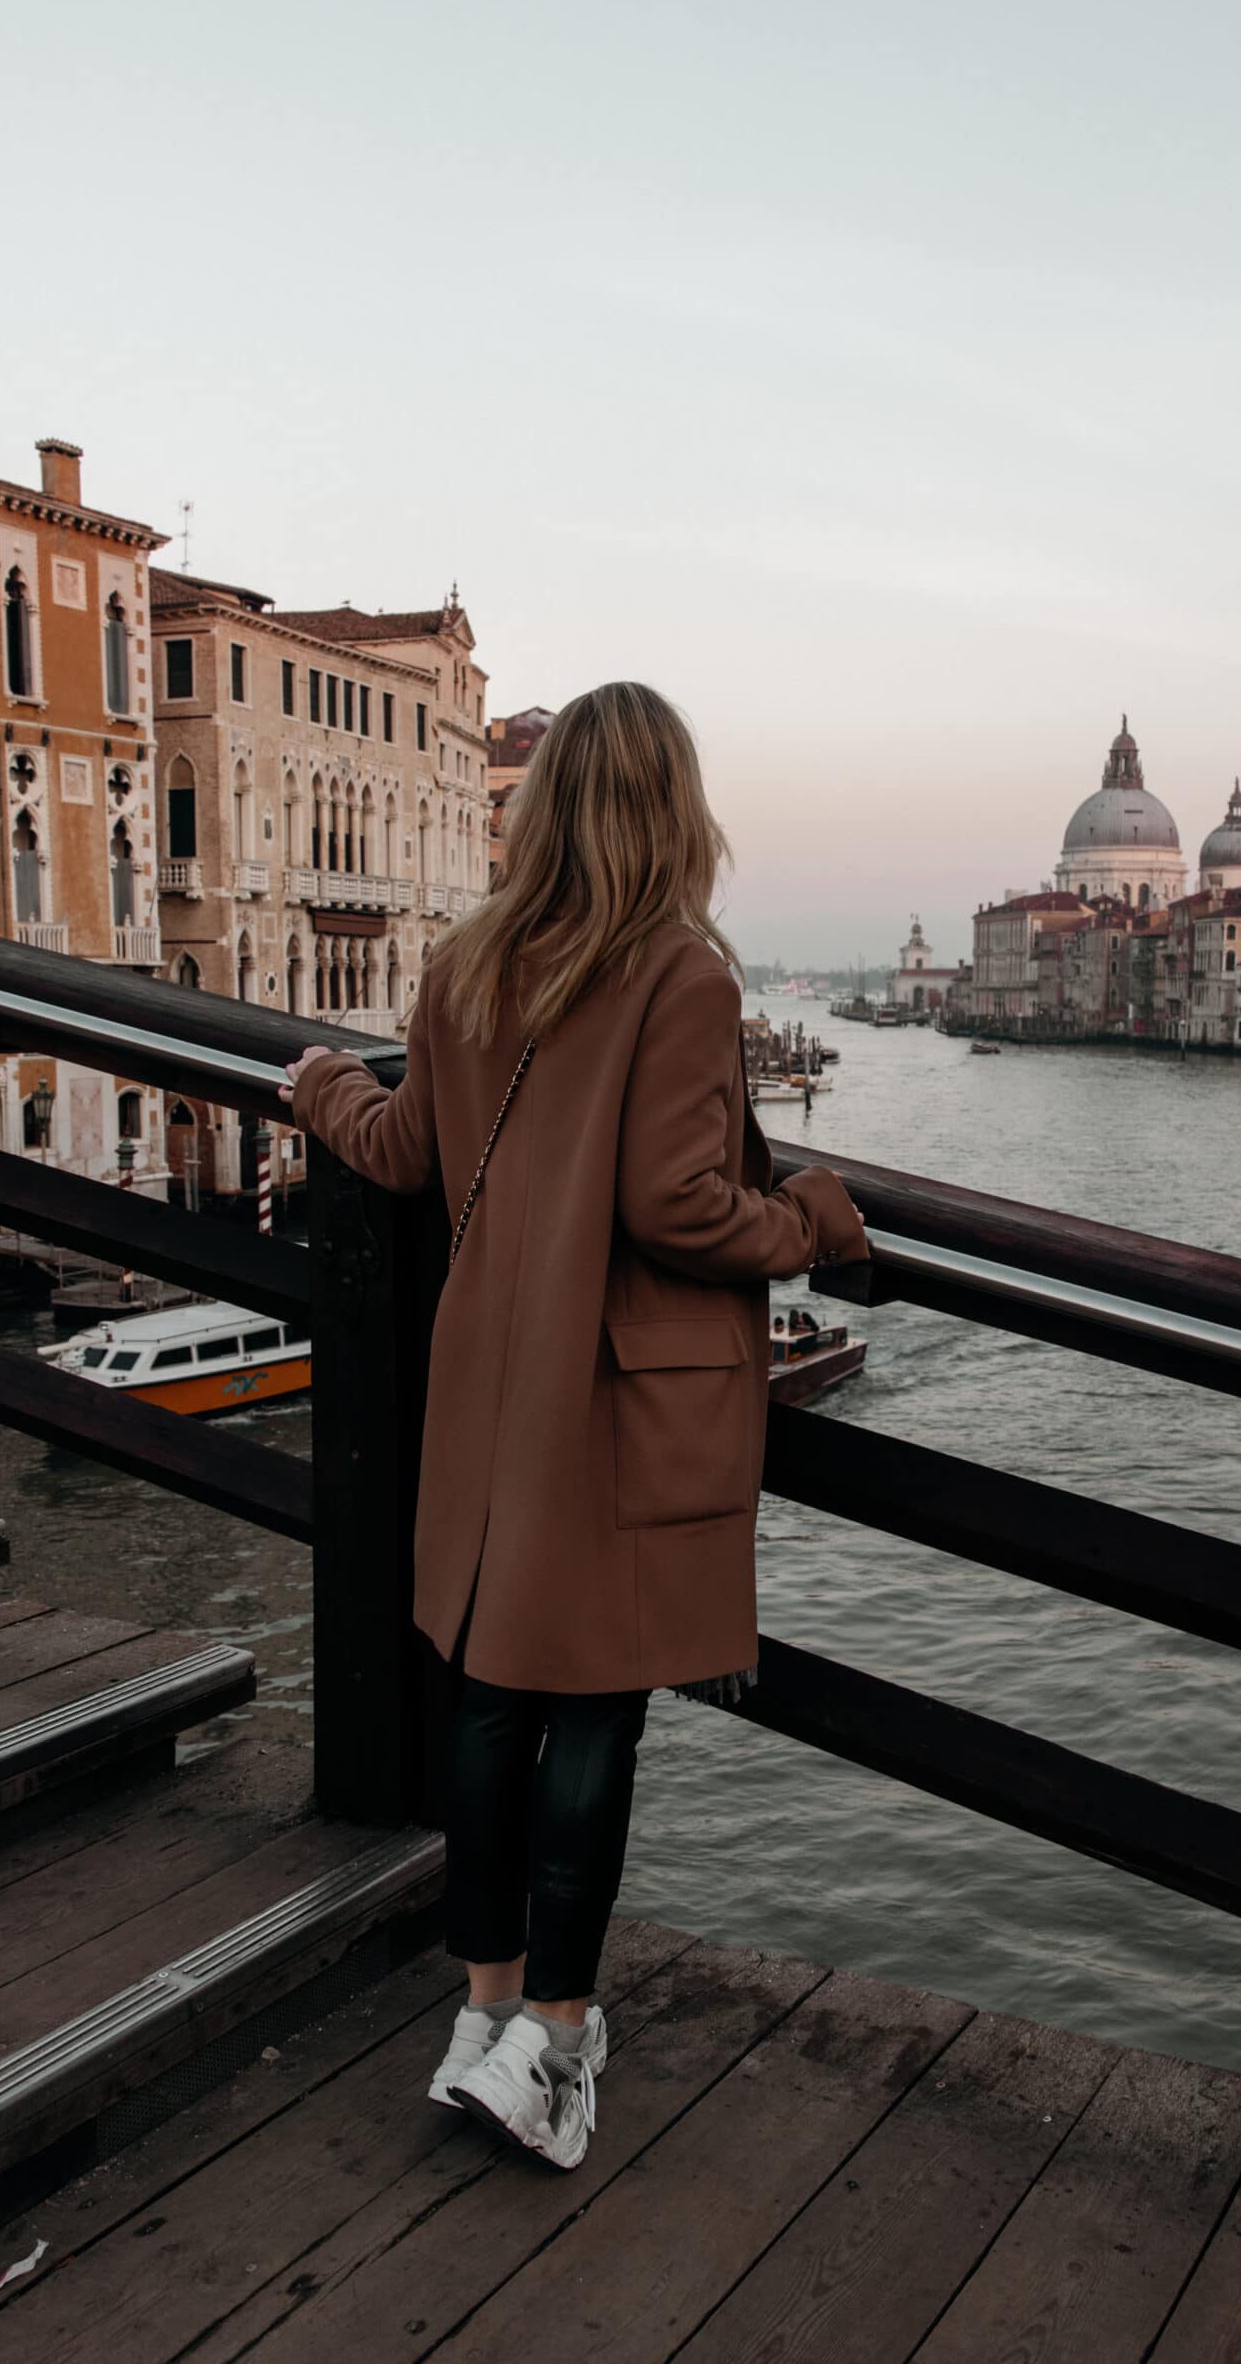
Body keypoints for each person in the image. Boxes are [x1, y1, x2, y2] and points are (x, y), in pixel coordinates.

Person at [280, 682, 868, 2173]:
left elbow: (406, 1150)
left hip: (489, 1377)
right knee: (595, 1709)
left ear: (540, 811)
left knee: (493, 1697)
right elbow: (674, 1205)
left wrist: (321, 1082)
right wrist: (808, 1214)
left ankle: (484, 2016)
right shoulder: (680, 975)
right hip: (615, 1395)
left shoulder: (471, 961)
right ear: (676, 808)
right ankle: (554, 2037)